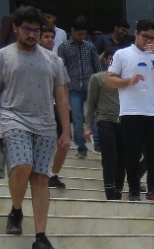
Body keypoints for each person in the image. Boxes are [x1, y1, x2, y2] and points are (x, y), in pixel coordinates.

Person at [0, 4, 70, 249]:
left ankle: (40, 237)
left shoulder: (53, 60)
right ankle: (17, 209)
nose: (32, 34)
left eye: (36, 30)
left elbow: (61, 97)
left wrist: (66, 131)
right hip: (14, 119)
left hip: (45, 124)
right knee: (22, 166)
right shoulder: (2, 56)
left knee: (41, 178)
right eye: (27, 29)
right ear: (15, 28)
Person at [107, 18, 154, 203]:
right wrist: (128, 81)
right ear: (136, 33)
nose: (149, 41)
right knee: (132, 152)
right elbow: (109, 79)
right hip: (131, 111)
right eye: (146, 37)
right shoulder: (122, 54)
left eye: (153, 38)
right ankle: (134, 189)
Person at [57, 17, 102, 159]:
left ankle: (98, 143)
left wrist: (101, 84)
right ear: (72, 31)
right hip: (73, 87)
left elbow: (97, 66)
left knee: (94, 116)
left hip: (90, 86)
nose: (82, 37)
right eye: (79, 34)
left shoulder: (89, 46)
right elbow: (61, 69)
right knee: (77, 118)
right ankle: (81, 147)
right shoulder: (63, 47)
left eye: (84, 34)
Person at [85, 49, 123, 199]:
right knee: (109, 157)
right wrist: (88, 126)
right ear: (106, 60)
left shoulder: (126, 80)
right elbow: (91, 103)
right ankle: (109, 189)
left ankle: (118, 188)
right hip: (104, 120)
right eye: (111, 59)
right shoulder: (97, 78)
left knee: (122, 158)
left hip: (123, 122)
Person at [37, 26, 70, 191]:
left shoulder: (58, 61)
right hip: (37, 107)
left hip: (56, 105)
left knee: (64, 142)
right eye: (46, 37)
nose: (50, 40)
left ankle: (53, 174)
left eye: (52, 37)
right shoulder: (32, 58)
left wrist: (66, 104)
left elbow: (64, 85)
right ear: (39, 38)